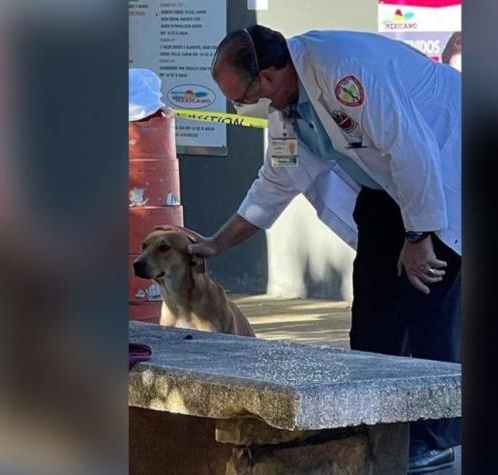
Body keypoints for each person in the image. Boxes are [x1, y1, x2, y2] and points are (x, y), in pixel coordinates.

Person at [188, 25, 461, 473]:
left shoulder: (343, 71)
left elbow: (414, 151)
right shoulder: (290, 109)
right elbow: (273, 186)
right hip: (388, 189)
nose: (247, 107)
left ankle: (434, 438)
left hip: (447, 168)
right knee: (373, 309)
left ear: (270, 77)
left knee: (428, 305)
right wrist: (216, 243)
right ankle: (372, 421)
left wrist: (418, 236)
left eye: (244, 98)